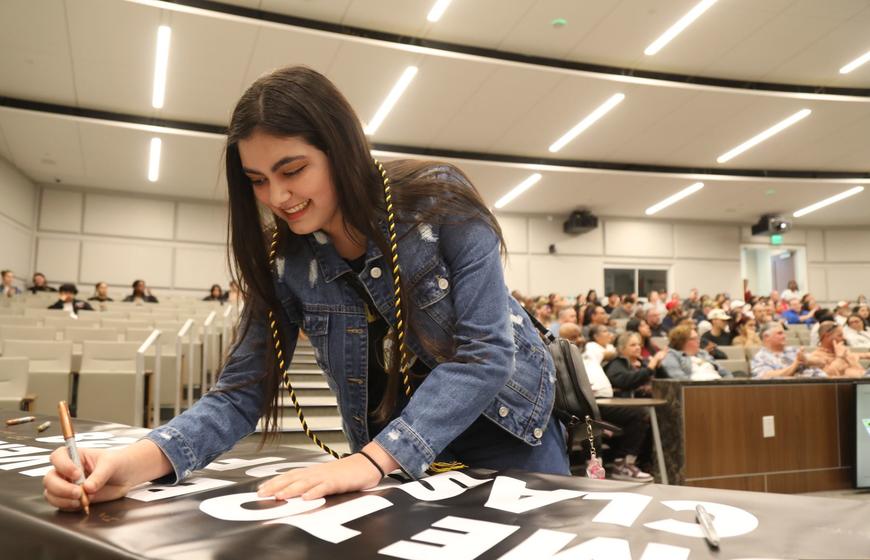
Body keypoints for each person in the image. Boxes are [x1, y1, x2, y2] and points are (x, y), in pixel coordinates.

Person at [43, 66, 569, 512]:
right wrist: (130, 466)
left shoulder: (439, 200)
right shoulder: (283, 260)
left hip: (507, 431)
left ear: (339, 149)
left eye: (292, 170)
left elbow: (484, 354)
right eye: (257, 180)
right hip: (386, 454)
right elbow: (239, 393)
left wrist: (370, 461)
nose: (277, 196)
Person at [582, 326, 652, 482]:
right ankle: (618, 465)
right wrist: (650, 368)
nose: (638, 347)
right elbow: (623, 381)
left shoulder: (639, 362)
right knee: (639, 415)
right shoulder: (607, 357)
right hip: (596, 404)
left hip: (608, 402)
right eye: (633, 345)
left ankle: (632, 463)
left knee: (648, 417)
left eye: (638, 344)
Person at [750, 323, 825, 379]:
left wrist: (806, 360)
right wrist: (795, 364)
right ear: (766, 337)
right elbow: (766, 377)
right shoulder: (761, 357)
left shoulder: (793, 350)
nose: (784, 336)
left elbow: (822, 362)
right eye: (779, 333)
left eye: (783, 333)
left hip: (819, 381)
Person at [605, 332, 667, 398]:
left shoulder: (644, 362)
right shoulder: (616, 364)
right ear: (622, 348)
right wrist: (649, 369)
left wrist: (659, 367)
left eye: (639, 345)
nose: (638, 347)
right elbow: (625, 382)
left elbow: (666, 381)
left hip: (654, 399)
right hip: (632, 403)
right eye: (633, 345)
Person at [660, 325, 733, 380]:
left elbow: (724, 371)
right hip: (697, 389)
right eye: (694, 339)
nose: (699, 341)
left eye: (698, 338)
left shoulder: (703, 353)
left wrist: (729, 383)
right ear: (682, 341)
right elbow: (679, 379)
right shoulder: (672, 355)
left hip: (718, 384)